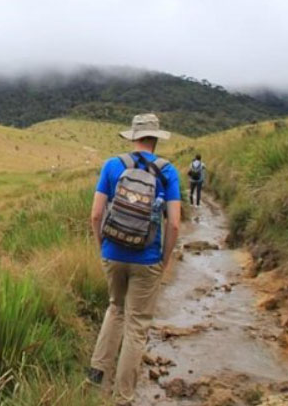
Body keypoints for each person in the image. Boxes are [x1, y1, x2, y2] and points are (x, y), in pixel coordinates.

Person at [86, 114, 182, 406]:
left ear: (133, 137)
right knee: (137, 325)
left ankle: (96, 374)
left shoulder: (112, 165)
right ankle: (124, 397)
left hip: (112, 253)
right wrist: (164, 261)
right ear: (155, 138)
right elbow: (175, 224)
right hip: (148, 259)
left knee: (115, 308)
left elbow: (95, 215)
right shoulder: (168, 171)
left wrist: (103, 247)